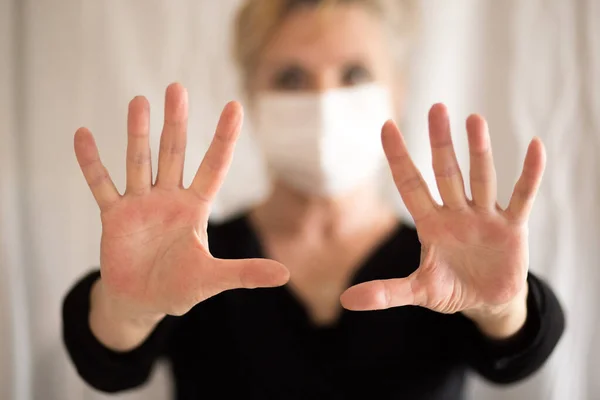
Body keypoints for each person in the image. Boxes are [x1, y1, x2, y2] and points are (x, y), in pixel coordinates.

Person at [62, 0, 565, 399]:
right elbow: (107, 363)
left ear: (399, 90)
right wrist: (127, 309)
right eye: (291, 78)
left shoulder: (447, 264)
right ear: (252, 95)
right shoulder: (191, 260)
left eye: (354, 75)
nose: (324, 101)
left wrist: (503, 309)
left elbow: (517, 355)